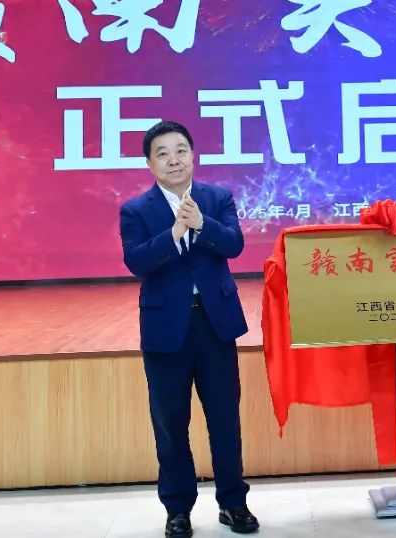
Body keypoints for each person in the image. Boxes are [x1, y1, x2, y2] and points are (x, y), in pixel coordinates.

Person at [119, 120, 260, 536]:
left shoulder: (217, 199)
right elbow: (137, 262)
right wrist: (175, 232)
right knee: (170, 424)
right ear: (150, 164)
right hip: (166, 331)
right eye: (162, 153)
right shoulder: (136, 210)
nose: (174, 160)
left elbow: (234, 244)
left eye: (180, 150)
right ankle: (177, 509)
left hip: (215, 326)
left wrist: (201, 224)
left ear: (193, 155)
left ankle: (233, 504)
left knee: (224, 420)